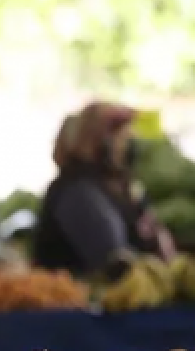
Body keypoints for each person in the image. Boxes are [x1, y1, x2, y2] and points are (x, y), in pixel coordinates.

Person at [35, 103, 175, 277]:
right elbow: (114, 261)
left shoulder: (121, 187)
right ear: (100, 142)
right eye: (120, 137)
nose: (127, 145)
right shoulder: (78, 193)